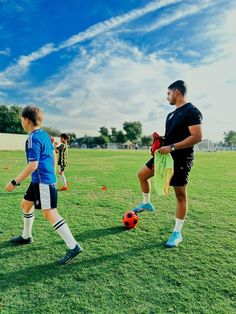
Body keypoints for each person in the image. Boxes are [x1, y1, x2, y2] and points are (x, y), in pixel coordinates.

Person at [5, 106, 83, 265]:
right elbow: (54, 154)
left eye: (21, 119)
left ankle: (73, 246)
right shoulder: (45, 135)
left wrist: (14, 182)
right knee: (26, 205)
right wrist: (52, 171)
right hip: (39, 181)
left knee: (50, 213)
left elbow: (32, 165)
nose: (21, 122)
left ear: (27, 120)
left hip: (43, 182)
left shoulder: (33, 139)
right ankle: (26, 236)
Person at [133, 80, 202, 248]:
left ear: (176, 92)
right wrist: (161, 139)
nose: (167, 97)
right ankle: (147, 203)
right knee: (142, 175)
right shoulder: (171, 115)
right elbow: (175, 135)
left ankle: (177, 232)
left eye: (168, 93)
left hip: (180, 159)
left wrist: (171, 146)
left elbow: (197, 136)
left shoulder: (192, 111)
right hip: (163, 157)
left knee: (180, 196)